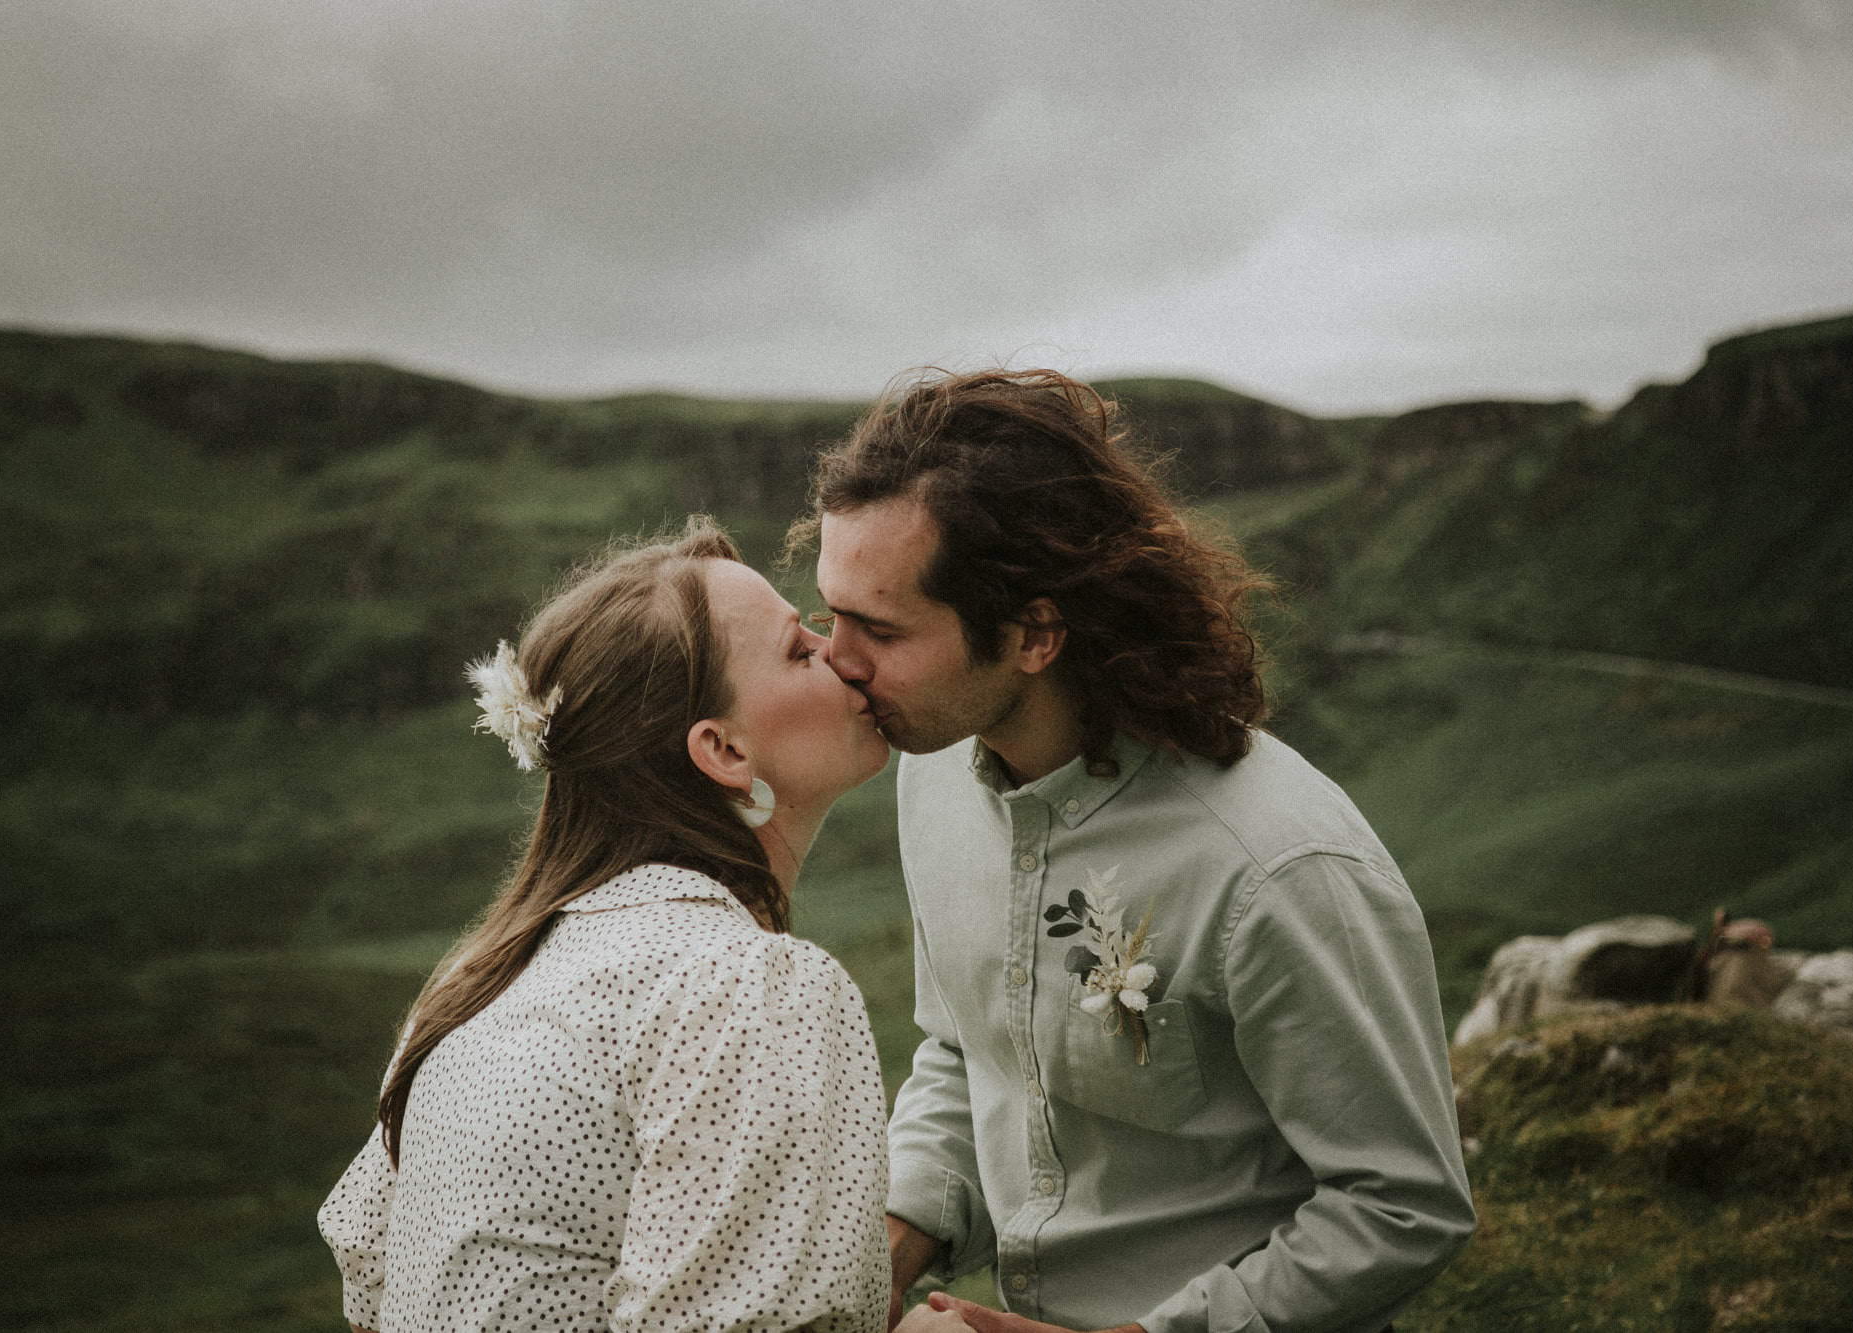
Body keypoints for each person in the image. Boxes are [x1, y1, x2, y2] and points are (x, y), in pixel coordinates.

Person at [794, 370, 1475, 1332]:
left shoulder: (1279, 867)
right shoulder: (933, 771)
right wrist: (889, 1247)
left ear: (1035, 632)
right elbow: (967, 1049)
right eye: (830, 613)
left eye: (879, 628)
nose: (836, 659)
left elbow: (1404, 1207)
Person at [319, 518, 967, 1333]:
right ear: (723, 750)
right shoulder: (751, 988)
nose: (838, 653)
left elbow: (372, 1286)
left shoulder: (472, 987)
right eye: (798, 650)